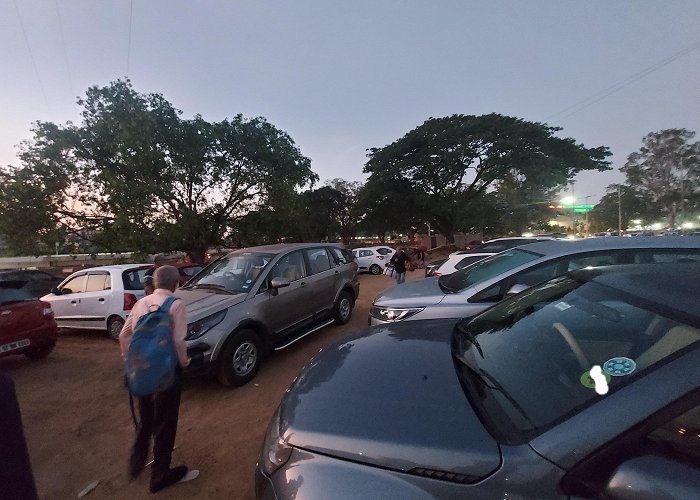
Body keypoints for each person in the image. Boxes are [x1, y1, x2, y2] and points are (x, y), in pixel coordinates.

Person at [119, 265, 198, 493]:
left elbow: (125, 335)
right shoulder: (176, 305)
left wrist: (131, 362)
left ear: (154, 283)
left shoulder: (141, 303)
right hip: (166, 374)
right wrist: (184, 362)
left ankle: (136, 463)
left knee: (146, 418)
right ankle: (160, 476)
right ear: (177, 284)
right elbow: (178, 341)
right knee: (165, 423)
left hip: (140, 371)